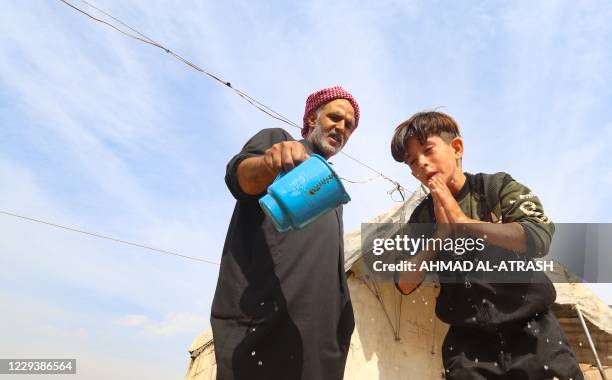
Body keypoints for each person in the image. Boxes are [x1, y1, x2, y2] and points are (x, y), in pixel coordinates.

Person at [390, 111, 583, 380]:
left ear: (456, 148)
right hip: (468, 348)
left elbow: (538, 236)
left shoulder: (496, 188)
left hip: (533, 333)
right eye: (411, 161)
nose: (420, 164)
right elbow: (405, 282)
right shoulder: (421, 218)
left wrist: (464, 222)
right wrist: (440, 236)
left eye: (428, 150)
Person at [210, 86, 359, 380]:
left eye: (349, 125)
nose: (341, 127)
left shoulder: (329, 193)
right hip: (264, 334)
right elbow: (239, 178)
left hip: (317, 347)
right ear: (313, 118)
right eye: (335, 117)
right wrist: (270, 161)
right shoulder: (278, 142)